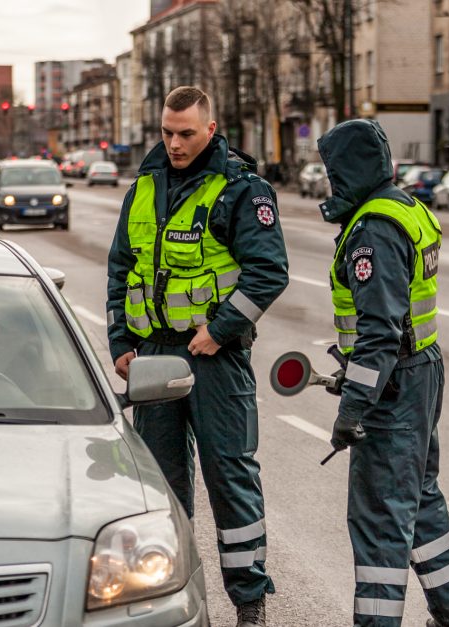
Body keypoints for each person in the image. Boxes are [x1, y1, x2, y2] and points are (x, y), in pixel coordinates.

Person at [106, 86, 289, 627]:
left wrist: (223, 329)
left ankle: (249, 603)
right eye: (167, 132)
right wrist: (121, 342)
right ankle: (169, 594)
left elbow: (269, 272)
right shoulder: (144, 185)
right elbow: (121, 266)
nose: (175, 143)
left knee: (230, 478)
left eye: (186, 133)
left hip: (214, 358)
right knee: (160, 485)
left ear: (210, 129)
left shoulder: (241, 189)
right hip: (155, 354)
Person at [316, 119, 449, 627]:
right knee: (420, 498)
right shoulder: (407, 208)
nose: (330, 183)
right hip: (422, 370)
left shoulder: (373, 230)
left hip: (394, 385)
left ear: (351, 168)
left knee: (380, 518)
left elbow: (381, 332)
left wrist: (352, 407)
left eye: (332, 172)